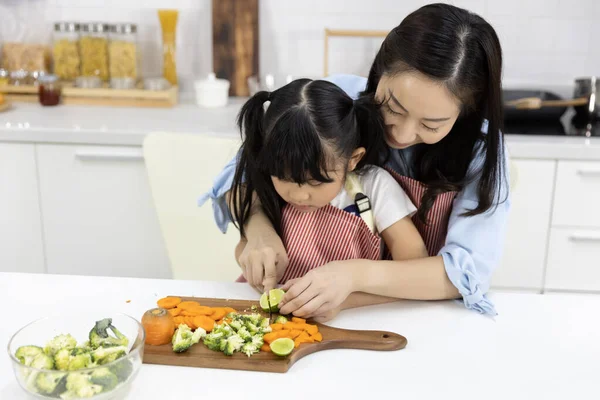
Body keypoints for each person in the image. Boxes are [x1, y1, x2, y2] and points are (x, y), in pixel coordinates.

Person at [198, 3, 510, 321]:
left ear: (465, 113)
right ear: (380, 69)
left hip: (410, 315)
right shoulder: (341, 99)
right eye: (393, 106)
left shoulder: (480, 150)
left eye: (431, 125)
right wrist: (259, 231)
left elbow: (463, 273)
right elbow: (237, 179)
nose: (401, 135)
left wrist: (352, 279)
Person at [229, 78, 428, 294]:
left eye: (315, 182)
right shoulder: (267, 182)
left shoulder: (374, 187)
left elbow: (414, 265)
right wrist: (252, 260)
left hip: (355, 314)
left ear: (353, 159)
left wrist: (350, 298)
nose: (299, 195)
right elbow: (244, 246)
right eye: (283, 177)